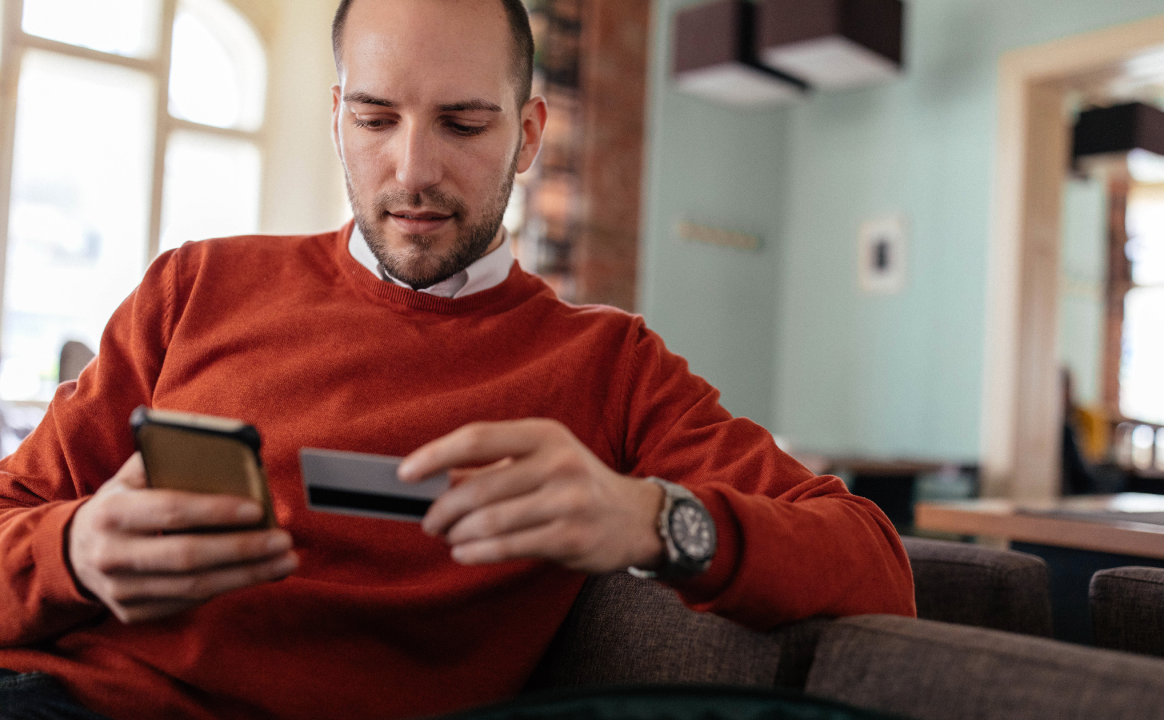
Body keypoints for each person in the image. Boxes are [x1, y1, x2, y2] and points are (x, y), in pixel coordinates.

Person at [0, 1, 915, 718]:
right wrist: (74, 550)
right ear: (336, 119)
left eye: (464, 125)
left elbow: (876, 563)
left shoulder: (609, 364)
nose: (411, 172)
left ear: (528, 136)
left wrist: (651, 518)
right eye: (374, 118)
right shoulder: (196, 286)